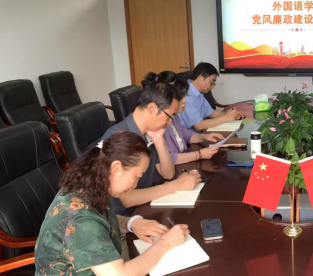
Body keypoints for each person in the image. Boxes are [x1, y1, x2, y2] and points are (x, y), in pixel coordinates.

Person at [22, 131, 190, 276]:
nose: (136, 183)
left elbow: (99, 221)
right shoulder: (80, 217)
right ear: (117, 168)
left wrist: (132, 223)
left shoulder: (88, 187)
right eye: (137, 175)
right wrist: (165, 244)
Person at [102, 82, 200, 216]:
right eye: (170, 116)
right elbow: (128, 199)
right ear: (152, 108)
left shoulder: (150, 132)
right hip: (123, 218)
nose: (170, 122)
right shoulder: (119, 137)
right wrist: (176, 185)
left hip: (146, 205)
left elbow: (168, 174)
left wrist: (159, 140)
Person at [165, 76, 225, 164]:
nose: (185, 101)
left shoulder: (175, 117)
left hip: (185, 160)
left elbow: (187, 135)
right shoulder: (159, 124)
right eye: (180, 97)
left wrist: (204, 137)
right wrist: (199, 154)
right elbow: (168, 159)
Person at [179, 62, 243, 132]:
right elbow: (199, 125)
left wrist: (230, 114)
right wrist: (226, 118)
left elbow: (211, 113)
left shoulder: (198, 92)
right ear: (200, 78)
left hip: (199, 133)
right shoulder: (187, 95)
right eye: (211, 82)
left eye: (214, 84)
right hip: (188, 137)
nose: (212, 87)